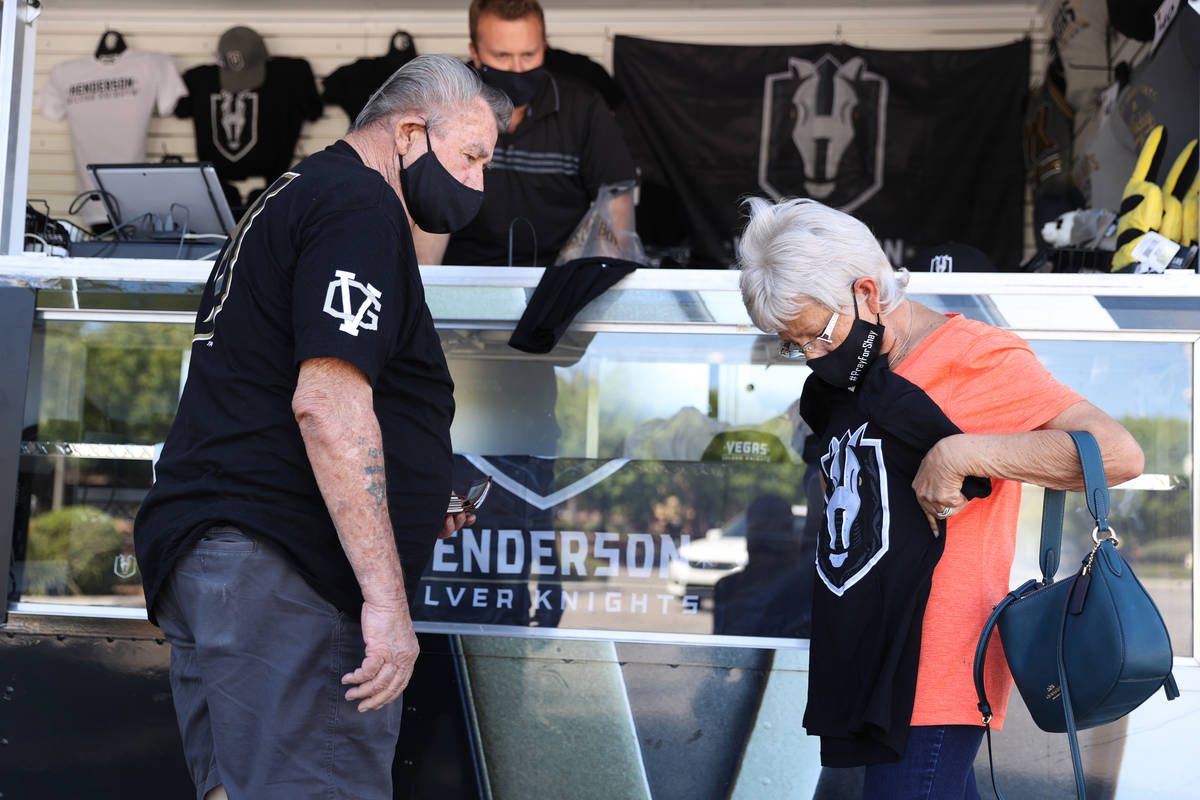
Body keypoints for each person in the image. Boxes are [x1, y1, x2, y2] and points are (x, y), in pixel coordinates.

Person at [133, 55, 512, 800]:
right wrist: (386, 601)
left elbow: (276, 387)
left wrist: (409, 490)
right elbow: (327, 405)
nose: (477, 183)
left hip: (220, 560)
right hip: (288, 573)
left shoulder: (295, 194)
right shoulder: (359, 209)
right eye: (472, 156)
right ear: (409, 132)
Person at [736, 197, 1144, 799]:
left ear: (868, 292)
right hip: (864, 666)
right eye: (795, 346)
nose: (815, 358)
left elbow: (1118, 454)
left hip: (937, 668)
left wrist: (963, 453)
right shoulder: (852, 374)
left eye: (818, 335)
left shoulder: (975, 358)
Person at [413, 0, 637, 266]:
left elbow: (614, 218)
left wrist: (590, 285)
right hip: (465, 278)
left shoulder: (584, 109)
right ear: (475, 52)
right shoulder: (444, 106)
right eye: (502, 56)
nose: (518, 69)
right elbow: (426, 212)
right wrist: (427, 294)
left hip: (556, 282)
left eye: (529, 55)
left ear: (544, 48)